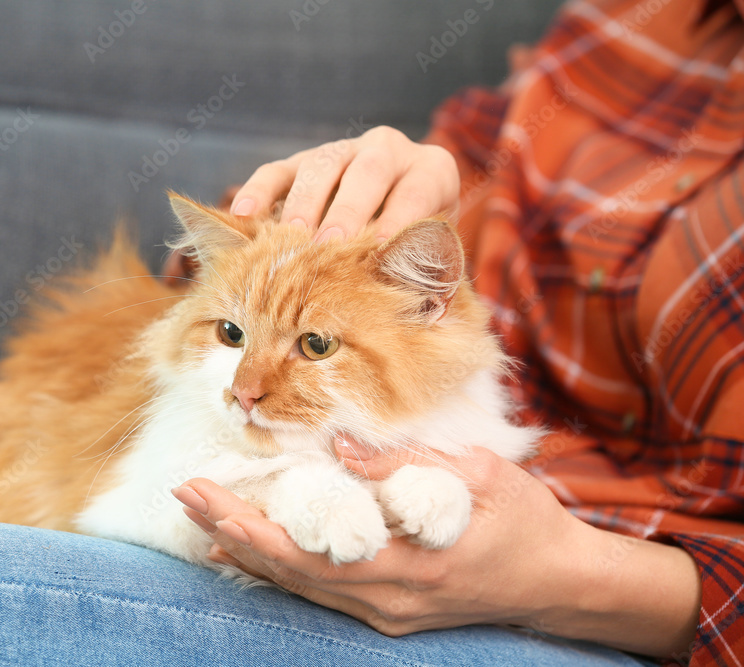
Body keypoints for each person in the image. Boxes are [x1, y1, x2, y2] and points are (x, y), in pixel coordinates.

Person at [0, 0, 741, 666]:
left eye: (297, 358)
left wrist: (568, 578)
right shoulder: (648, 16)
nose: (251, 389)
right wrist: (422, 168)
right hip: (386, 339)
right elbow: (467, 181)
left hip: (568, 599)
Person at [168, 0, 744, 663]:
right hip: (392, 459)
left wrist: (566, 575)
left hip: (605, 617)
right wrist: (325, 204)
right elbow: (451, 186)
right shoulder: (637, 18)